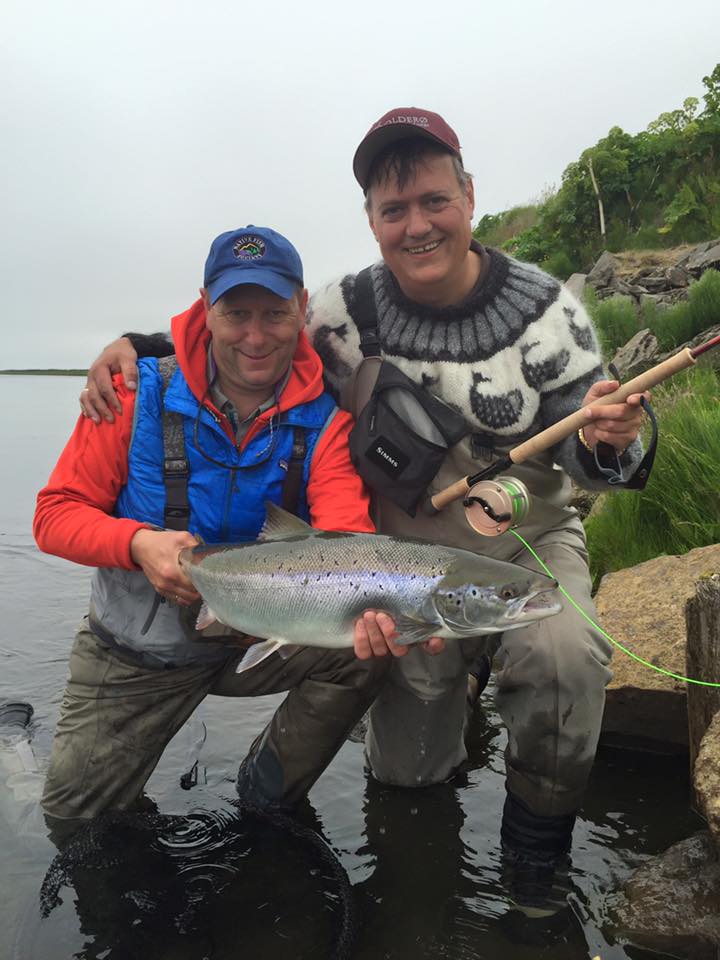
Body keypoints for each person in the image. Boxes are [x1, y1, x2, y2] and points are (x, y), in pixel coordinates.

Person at [79, 111, 648, 915]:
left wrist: (612, 438)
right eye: (394, 210)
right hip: (385, 558)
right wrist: (136, 347)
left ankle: (533, 867)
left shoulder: (547, 312)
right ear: (373, 222)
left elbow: (600, 460)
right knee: (408, 776)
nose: (417, 225)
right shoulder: (342, 313)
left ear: (469, 196)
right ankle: (429, 832)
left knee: (561, 658)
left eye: (433, 201)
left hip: (522, 542)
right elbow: (244, 332)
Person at [33, 225, 391, 833]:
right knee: (72, 823)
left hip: (254, 642)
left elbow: (347, 542)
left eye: (275, 314)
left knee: (367, 652)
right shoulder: (129, 391)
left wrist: (385, 609)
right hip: (135, 656)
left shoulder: (325, 425)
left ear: (301, 310)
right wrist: (137, 544)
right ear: (206, 307)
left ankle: (266, 797)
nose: (255, 335)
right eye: (236, 313)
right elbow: (54, 514)